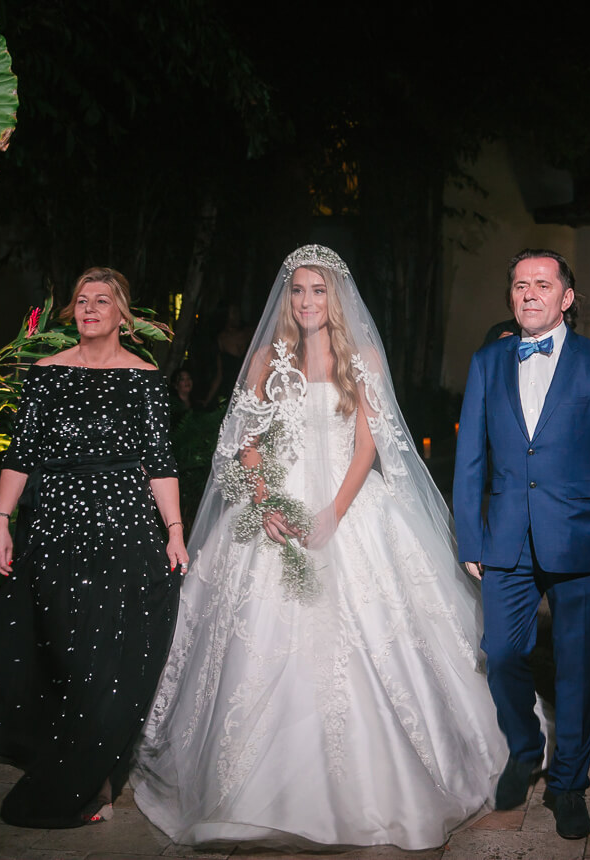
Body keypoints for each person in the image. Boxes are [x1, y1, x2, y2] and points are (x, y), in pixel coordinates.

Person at [131, 245, 503, 850]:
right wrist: (264, 500)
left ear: (336, 297)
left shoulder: (363, 357)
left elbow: (368, 446)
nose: (306, 301)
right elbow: (245, 440)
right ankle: (247, 786)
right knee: (255, 635)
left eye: (318, 291)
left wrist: (332, 512)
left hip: (345, 504)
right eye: (298, 290)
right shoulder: (264, 360)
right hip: (273, 506)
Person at [0, 266, 189, 828]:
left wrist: (176, 530)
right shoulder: (44, 374)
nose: (89, 309)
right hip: (57, 527)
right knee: (62, 652)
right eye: (82, 300)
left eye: (102, 300)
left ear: (122, 314)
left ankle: (98, 780)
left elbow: (159, 462)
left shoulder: (144, 377)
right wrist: (1, 519)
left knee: (107, 655)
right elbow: (22, 453)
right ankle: (76, 768)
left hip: (124, 528)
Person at [453, 249, 590, 841]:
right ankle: (525, 747)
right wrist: (472, 536)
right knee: (503, 652)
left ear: (568, 297)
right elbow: (470, 462)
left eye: (542, 284)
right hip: (506, 539)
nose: (529, 293)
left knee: (574, 671)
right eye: (519, 285)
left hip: (582, 539)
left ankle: (569, 784)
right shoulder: (487, 362)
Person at [200, 304, 252, 407]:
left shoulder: (250, 332)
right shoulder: (220, 338)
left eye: (237, 312)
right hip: (229, 390)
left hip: (249, 387)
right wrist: (207, 400)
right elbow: (219, 374)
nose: (236, 316)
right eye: (233, 313)